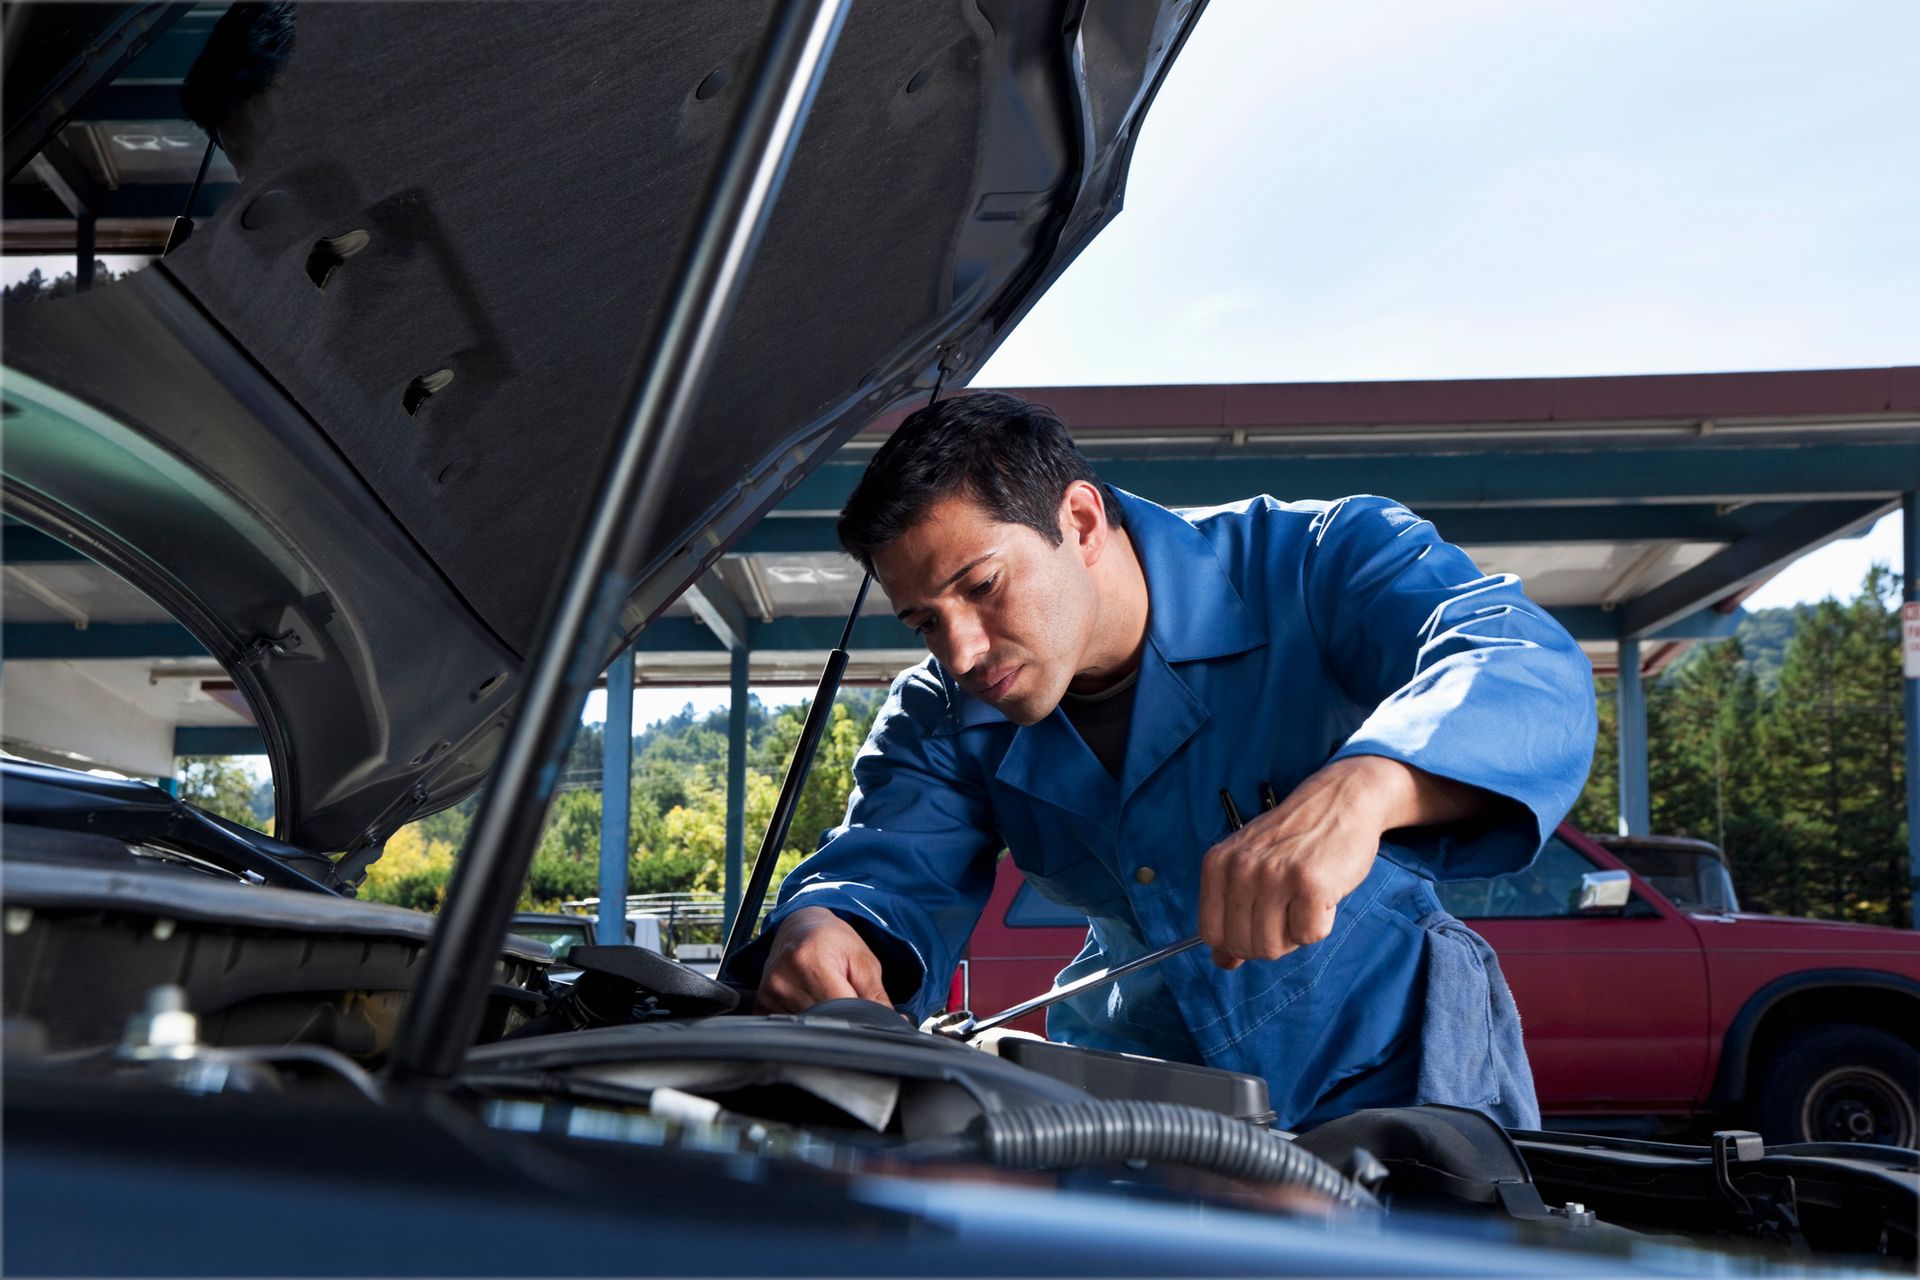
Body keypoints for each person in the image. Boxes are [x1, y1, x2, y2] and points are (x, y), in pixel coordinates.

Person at [725, 392, 1596, 1130]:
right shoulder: (941, 715)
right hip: (1143, 1103)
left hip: (1405, 1084)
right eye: (923, 620)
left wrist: (1368, 784)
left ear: (1080, 519)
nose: (958, 650)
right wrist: (828, 928)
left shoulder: (1323, 562)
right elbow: (887, 870)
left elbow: (1521, 662)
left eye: (982, 587)